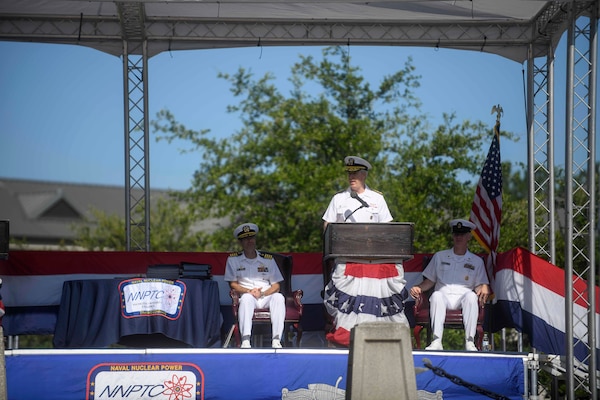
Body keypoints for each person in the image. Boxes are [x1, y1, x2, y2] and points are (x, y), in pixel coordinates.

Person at [409, 219, 490, 351]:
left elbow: (479, 286)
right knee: (436, 296)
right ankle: (436, 341)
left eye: (462, 234)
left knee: (471, 297)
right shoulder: (440, 256)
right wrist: (418, 287)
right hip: (444, 295)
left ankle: (470, 341)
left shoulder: (476, 261)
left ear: (468, 237)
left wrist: (485, 285)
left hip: (463, 297)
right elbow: (430, 281)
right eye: (456, 234)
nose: (459, 237)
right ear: (452, 236)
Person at [224, 223, 286, 349]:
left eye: (251, 238)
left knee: (279, 297)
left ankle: (276, 340)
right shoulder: (233, 260)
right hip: (248, 296)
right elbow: (232, 283)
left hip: (265, 295)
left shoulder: (267, 259)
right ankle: (246, 340)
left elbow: (276, 285)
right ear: (240, 242)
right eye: (246, 239)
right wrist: (249, 291)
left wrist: (262, 293)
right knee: (246, 298)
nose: (249, 241)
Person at [322, 155, 393, 229]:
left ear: (364, 175)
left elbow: (386, 228)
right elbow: (327, 226)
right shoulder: (338, 198)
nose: (351, 177)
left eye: (354, 173)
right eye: (349, 173)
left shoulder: (377, 198)